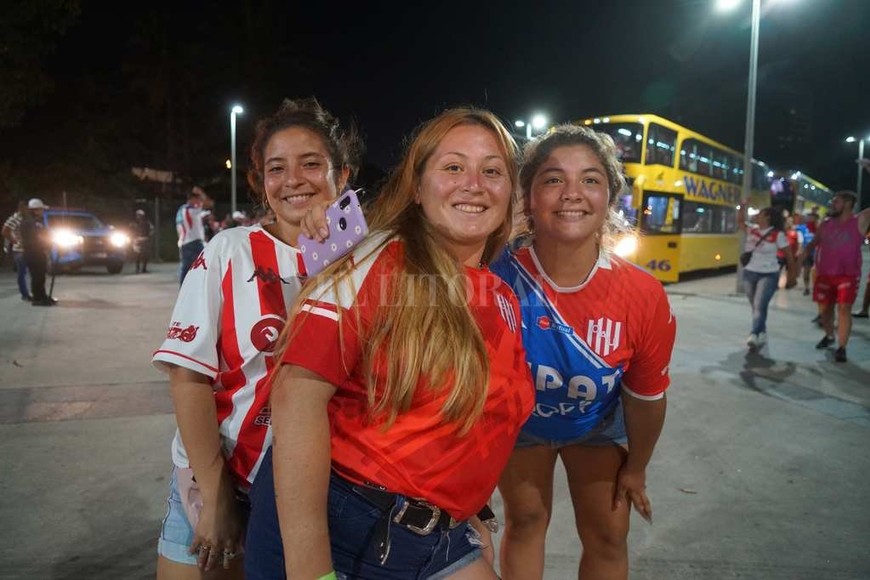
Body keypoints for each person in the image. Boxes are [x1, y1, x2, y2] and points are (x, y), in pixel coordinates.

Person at [244, 107, 535, 580]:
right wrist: (311, 572)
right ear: (417, 187)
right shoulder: (377, 258)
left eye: (492, 171)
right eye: (454, 167)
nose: (474, 183)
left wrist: (473, 508)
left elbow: (471, 421)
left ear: (510, 193)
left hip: (436, 537)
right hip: (343, 528)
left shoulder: (500, 295)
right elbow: (296, 398)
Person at [151, 97, 362, 580]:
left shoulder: (365, 258)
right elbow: (188, 378)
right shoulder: (229, 251)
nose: (293, 180)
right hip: (219, 470)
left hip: (315, 485)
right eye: (276, 168)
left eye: (312, 164)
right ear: (260, 182)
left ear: (342, 175)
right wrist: (216, 496)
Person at [490, 125, 677, 580]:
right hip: (522, 426)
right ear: (528, 197)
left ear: (610, 197)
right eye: (553, 179)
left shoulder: (643, 293)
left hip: (595, 424)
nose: (572, 193)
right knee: (526, 521)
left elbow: (646, 397)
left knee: (608, 534)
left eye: (590, 179)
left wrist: (636, 467)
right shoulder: (492, 277)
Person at [801, 190, 870, 362]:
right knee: (825, 309)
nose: (832, 204)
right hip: (824, 274)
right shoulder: (826, 223)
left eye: (836, 201)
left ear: (847, 203)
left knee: (844, 309)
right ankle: (830, 335)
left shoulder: (859, 221)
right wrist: (798, 261)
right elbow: (814, 243)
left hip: (848, 275)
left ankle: (842, 347)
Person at [737, 204, 796, 348]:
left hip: (768, 274)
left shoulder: (778, 234)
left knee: (759, 305)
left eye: (760, 214)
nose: (757, 216)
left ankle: (755, 334)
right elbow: (740, 222)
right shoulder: (752, 230)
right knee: (756, 306)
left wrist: (791, 275)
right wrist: (743, 206)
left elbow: (788, 255)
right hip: (750, 272)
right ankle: (762, 330)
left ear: (768, 217)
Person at [176, 186, 214, 285]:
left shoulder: (183, 209)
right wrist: (201, 193)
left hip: (186, 243)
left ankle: (184, 293)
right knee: (204, 266)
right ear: (192, 199)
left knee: (186, 270)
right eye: (197, 199)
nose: (199, 201)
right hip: (194, 242)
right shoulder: (191, 210)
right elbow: (209, 204)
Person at [2, 200, 31, 301]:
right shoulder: (15, 218)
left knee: (30, 272)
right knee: (22, 273)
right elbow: (5, 231)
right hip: (20, 250)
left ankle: (30, 293)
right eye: (26, 208)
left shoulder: (27, 218)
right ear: (22, 208)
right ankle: (25, 294)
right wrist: (14, 241)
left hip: (28, 248)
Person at [129, 208, 155, 274]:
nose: (139, 216)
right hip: (137, 241)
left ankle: (144, 269)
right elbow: (130, 232)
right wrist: (133, 239)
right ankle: (137, 269)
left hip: (145, 240)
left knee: (145, 255)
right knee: (137, 255)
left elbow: (152, 229)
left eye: (140, 215)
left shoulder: (147, 223)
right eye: (138, 215)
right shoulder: (133, 224)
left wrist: (148, 236)